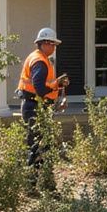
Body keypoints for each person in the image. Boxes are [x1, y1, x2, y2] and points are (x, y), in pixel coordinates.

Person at [17, 28, 68, 167]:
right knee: (36, 146)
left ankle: (42, 180)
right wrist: (56, 84)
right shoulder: (39, 61)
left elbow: (44, 85)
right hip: (34, 107)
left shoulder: (41, 59)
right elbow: (39, 88)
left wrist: (58, 86)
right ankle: (32, 181)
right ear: (44, 43)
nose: (54, 47)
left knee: (42, 144)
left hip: (36, 106)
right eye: (52, 44)